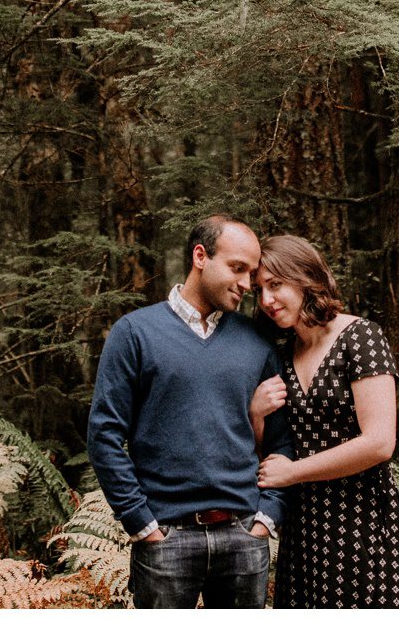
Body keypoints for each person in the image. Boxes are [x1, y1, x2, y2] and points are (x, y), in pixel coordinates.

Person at [86, 214, 291, 608]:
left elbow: (282, 439)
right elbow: (105, 437)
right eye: (237, 268)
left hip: (244, 536)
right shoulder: (135, 333)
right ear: (201, 256)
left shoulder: (257, 341)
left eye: (251, 273)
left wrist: (266, 519)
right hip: (165, 537)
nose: (247, 285)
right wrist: (142, 524)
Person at [251, 234, 399, 607]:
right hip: (304, 526)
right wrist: (256, 413)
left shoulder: (362, 338)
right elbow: (269, 451)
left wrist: (294, 472)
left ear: (305, 277)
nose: (266, 300)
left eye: (276, 285)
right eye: (259, 289)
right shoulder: (282, 351)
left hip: (362, 519)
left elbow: (379, 443)